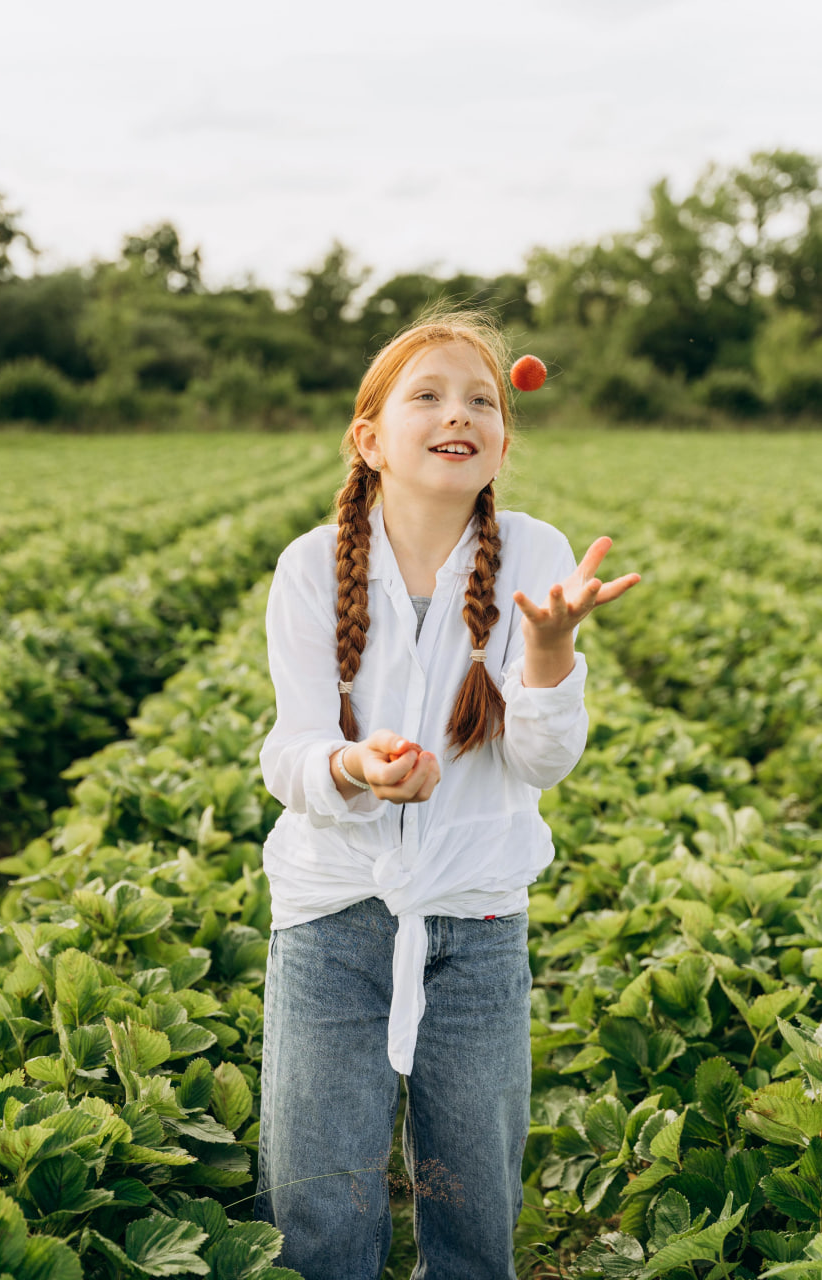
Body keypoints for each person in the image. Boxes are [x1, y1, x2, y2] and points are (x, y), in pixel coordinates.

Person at [253, 312, 640, 1279]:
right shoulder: (310, 566)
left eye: (480, 401)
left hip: (477, 921)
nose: (457, 413)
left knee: (473, 1206)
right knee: (317, 1206)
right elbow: (290, 752)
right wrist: (355, 768)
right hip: (331, 920)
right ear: (369, 439)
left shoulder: (536, 555)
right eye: (425, 396)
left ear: (502, 442)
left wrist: (548, 651)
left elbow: (542, 762)